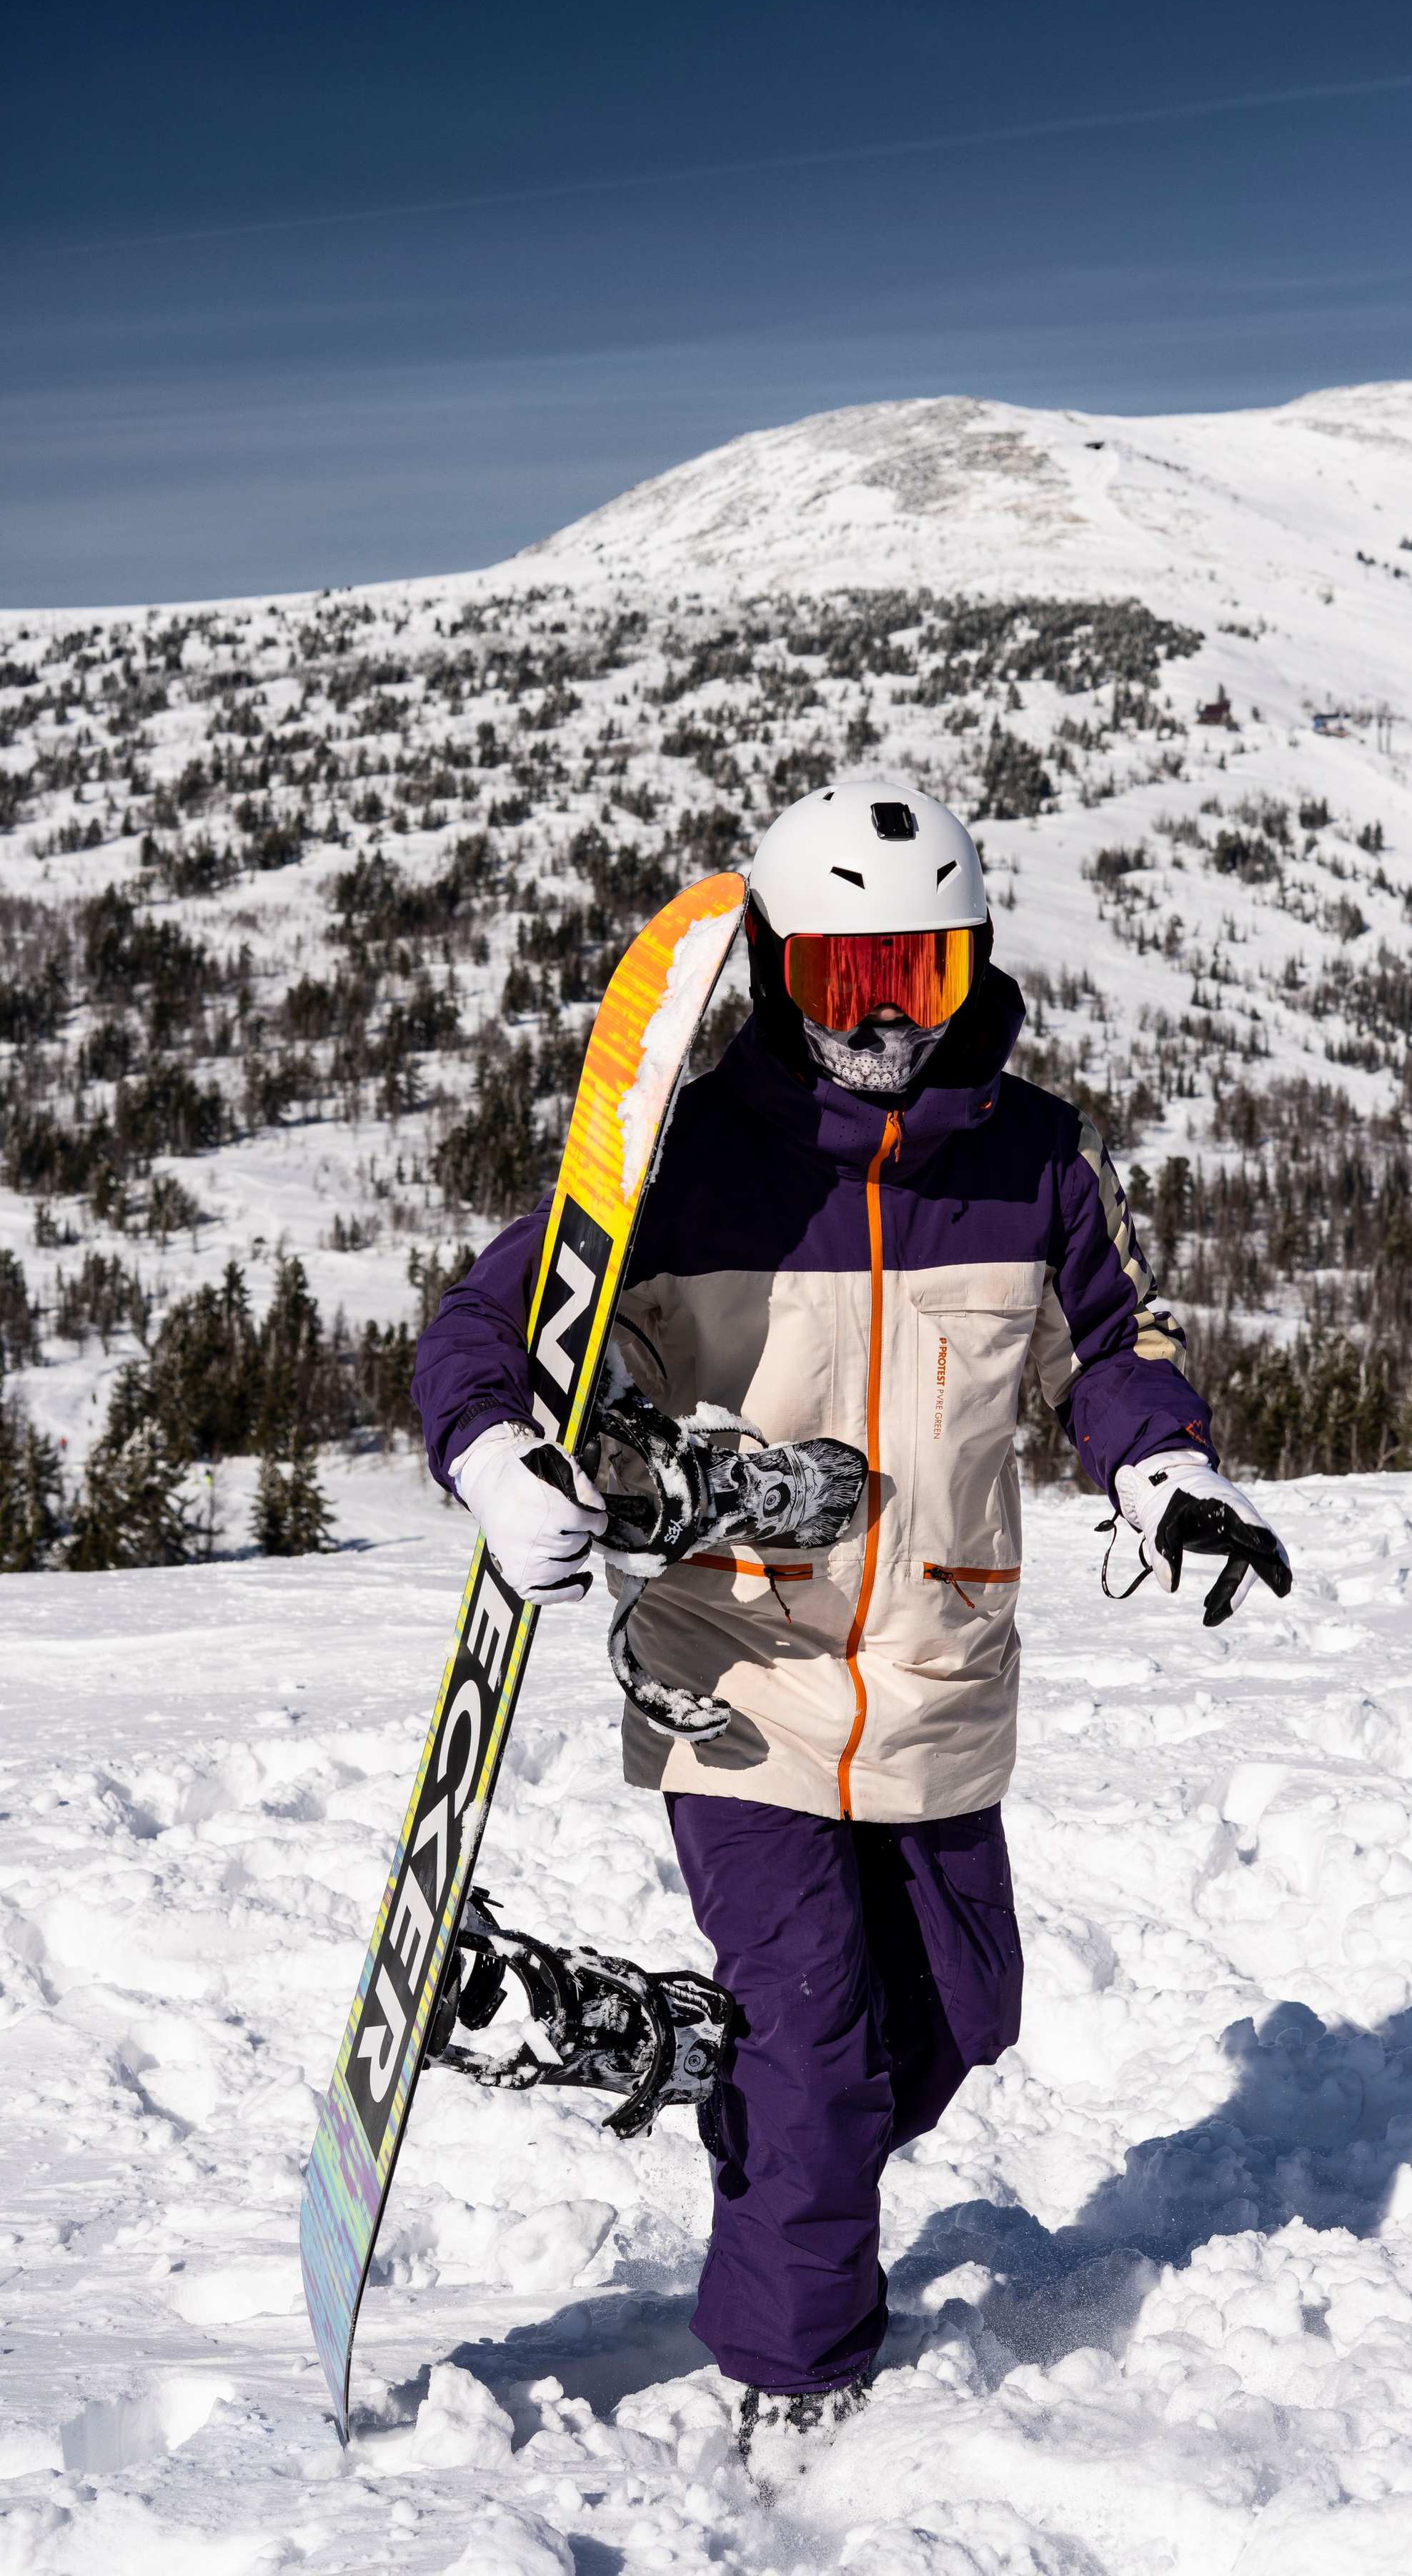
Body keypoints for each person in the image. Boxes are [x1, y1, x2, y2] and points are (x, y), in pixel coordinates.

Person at [412, 781, 1291, 2465]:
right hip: (735, 1679)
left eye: (923, 971)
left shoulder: (1030, 1159)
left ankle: (664, 2050)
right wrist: (494, 1458)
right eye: (844, 980)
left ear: (971, 968)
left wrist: (1163, 1475)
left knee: (958, 2021)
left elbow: (1114, 1348)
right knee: (816, 2049)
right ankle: (795, 2383)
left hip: (941, 1681)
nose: (885, 1018)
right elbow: (486, 1317)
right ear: (779, 978)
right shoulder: (688, 1164)